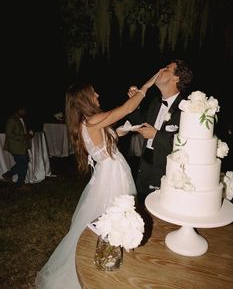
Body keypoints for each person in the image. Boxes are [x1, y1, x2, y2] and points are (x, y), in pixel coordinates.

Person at [35, 74, 158, 289]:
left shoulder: (89, 122)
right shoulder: (92, 120)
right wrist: (147, 85)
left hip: (110, 171)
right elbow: (127, 108)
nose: (98, 94)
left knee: (113, 218)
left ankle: (109, 256)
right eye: (94, 92)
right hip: (112, 176)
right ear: (85, 98)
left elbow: (108, 137)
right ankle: (98, 264)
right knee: (112, 217)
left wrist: (125, 130)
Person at [127, 59, 193, 203]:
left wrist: (156, 135)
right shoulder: (155, 103)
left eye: (166, 69)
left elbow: (185, 145)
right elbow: (142, 125)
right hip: (144, 166)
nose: (160, 71)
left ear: (176, 78)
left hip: (165, 171)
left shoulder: (186, 109)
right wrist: (134, 105)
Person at [2, 105, 33, 190]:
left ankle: (8, 175)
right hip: (16, 146)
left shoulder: (21, 119)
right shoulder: (12, 120)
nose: (25, 113)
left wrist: (28, 135)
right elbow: (9, 134)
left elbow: (22, 132)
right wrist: (24, 136)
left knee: (23, 163)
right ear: (19, 110)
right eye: (24, 111)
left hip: (22, 146)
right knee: (23, 164)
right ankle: (20, 184)